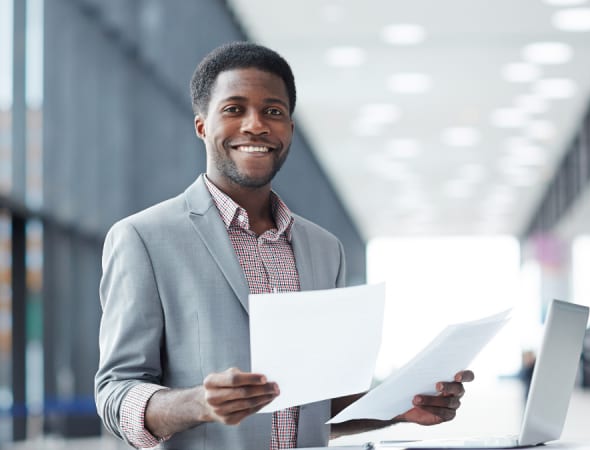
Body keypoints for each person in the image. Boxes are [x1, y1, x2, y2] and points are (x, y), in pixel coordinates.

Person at [94, 42, 474, 449]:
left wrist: (398, 406)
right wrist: (199, 404)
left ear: (289, 128)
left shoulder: (325, 249)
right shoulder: (143, 238)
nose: (256, 125)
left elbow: (314, 409)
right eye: (234, 109)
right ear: (202, 125)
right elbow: (115, 393)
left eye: (273, 111)